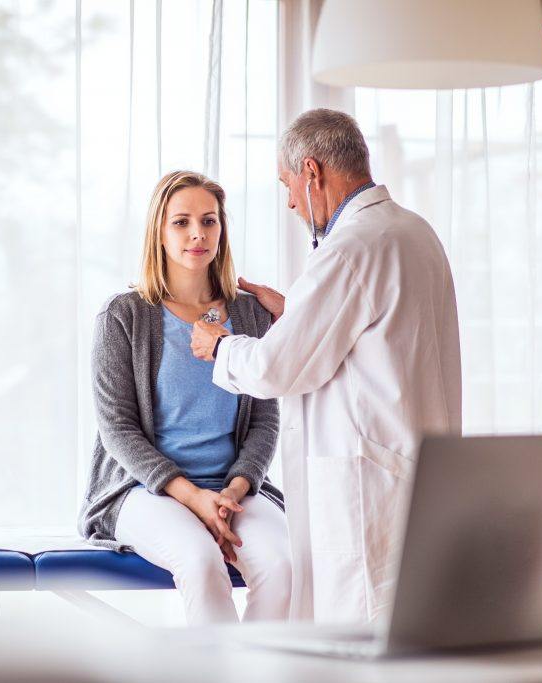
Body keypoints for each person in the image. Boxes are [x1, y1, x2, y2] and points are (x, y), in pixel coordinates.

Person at [190, 109, 462, 624]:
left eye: (288, 185)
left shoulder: (351, 248)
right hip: (418, 475)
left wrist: (220, 345)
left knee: (358, 646)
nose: (291, 202)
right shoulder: (413, 232)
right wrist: (297, 313)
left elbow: (275, 369)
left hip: (369, 490)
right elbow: (380, 336)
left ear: (312, 172)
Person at [78, 170, 291, 625]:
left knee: (282, 566)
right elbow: (117, 429)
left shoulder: (250, 313)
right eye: (181, 222)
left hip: (233, 489)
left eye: (209, 221)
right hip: (145, 490)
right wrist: (193, 498)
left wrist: (233, 490)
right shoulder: (124, 315)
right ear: (159, 230)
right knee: (201, 563)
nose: (198, 233)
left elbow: (265, 421)